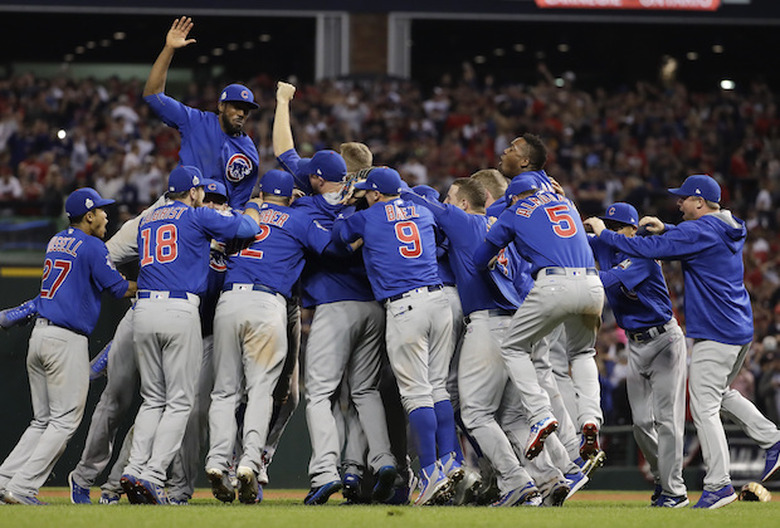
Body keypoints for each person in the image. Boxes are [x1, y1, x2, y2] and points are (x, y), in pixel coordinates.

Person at [584, 174, 780, 509]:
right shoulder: (723, 225)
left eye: (684, 199)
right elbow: (693, 237)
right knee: (719, 395)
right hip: (737, 329)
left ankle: (719, 485)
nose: (678, 203)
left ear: (700, 202)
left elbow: (645, 247)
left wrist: (604, 234)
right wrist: (669, 228)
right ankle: (772, 438)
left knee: (703, 405)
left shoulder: (700, 230)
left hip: (716, 332)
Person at [273, 82, 399, 506]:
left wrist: (283, 102)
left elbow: (284, 151)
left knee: (321, 394)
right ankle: (378, 461)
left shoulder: (310, 202)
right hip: (375, 307)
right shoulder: (375, 201)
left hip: (334, 305)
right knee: (363, 393)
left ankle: (326, 471)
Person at [206, 169, 357, 504]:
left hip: (229, 301)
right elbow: (335, 250)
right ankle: (248, 462)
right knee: (262, 391)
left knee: (224, 392)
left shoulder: (243, 213)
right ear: (292, 196)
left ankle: (217, 461)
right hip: (267, 303)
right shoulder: (297, 218)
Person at [120, 165, 261, 505]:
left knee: (152, 398)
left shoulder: (148, 219)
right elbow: (249, 226)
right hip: (178, 309)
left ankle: (134, 469)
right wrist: (252, 207)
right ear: (194, 192)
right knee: (180, 401)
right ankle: (153, 476)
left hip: (143, 310)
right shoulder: (197, 216)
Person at [332, 167, 462, 506]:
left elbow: (337, 236)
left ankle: (432, 472)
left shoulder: (369, 214)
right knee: (438, 387)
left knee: (417, 393)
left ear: (374, 193)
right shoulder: (421, 208)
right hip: (438, 299)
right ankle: (450, 462)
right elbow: (445, 239)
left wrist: (348, 204)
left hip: (406, 306)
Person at [0, 188, 136, 505]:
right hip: (65, 340)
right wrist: (152, 285)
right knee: (63, 421)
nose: (106, 215)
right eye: (101, 210)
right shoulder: (91, 246)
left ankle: (5, 478)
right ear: (88, 216)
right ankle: (21, 488)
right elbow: (117, 288)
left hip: (40, 336)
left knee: (43, 420)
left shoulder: (55, 241)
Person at [474, 174, 604, 462]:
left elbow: (480, 257)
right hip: (593, 284)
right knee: (583, 353)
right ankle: (590, 419)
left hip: (553, 284)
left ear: (515, 197)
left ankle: (539, 414)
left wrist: (489, 259)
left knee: (513, 347)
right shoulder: (566, 202)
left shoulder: (515, 210)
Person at [588, 202, 688, 508]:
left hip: (664, 341)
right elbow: (569, 239)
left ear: (634, 229)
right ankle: (663, 479)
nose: (612, 231)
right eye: (609, 225)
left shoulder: (643, 252)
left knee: (667, 421)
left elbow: (604, 282)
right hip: (636, 345)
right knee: (642, 423)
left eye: (619, 227)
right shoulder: (605, 244)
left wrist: (601, 235)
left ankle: (676, 490)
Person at [144, 16, 260, 208]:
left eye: (246, 110)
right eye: (236, 107)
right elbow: (153, 95)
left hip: (216, 213)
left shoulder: (248, 152)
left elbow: (238, 205)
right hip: (179, 203)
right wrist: (169, 49)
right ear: (221, 106)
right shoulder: (195, 121)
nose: (241, 113)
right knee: (123, 238)